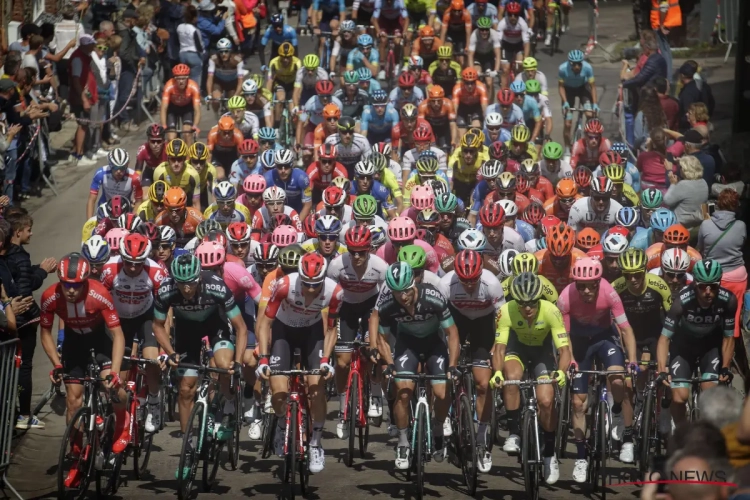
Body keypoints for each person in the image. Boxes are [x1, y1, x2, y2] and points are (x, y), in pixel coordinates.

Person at [40, 254, 129, 488]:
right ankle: (77, 455)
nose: (70, 291)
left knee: (112, 387)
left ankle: (122, 421)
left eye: (76, 285)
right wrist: (56, 363)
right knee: (73, 401)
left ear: (86, 281)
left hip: (101, 340)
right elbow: (45, 334)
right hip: (73, 343)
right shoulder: (50, 297)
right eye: (66, 285)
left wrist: (115, 371)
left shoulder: (99, 293)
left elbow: (118, 335)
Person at [369, 261, 460, 469]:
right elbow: (382, 338)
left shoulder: (432, 297)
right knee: (403, 392)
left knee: (441, 392)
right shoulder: (388, 304)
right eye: (396, 292)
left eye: (406, 291)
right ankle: (402, 442)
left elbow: (452, 333)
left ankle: (438, 428)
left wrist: (452, 365)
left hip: (433, 344)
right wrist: (390, 363)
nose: (402, 297)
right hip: (407, 345)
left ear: (414, 284)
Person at [3, 212, 56, 429]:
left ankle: (12, 411)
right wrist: (42, 272)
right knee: (24, 366)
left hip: (10, 320)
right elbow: (25, 289)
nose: (31, 233)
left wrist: (34, 269)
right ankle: (24, 415)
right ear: (18, 232)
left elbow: (20, 277)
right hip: (23, 321)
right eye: (28, 229)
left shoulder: (7, 256)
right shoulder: (19, 256)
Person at [697, 189, 747, 338]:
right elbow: (741, 245)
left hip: (714, 276)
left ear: (718, 204)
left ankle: (714, 340)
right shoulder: (741, 225)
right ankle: (733, 343)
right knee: (735, 311)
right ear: (736, 205)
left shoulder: (706, 225)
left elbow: (701, 248)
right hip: (738, 275)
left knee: (713, 311)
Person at [664, 155, 708, 230]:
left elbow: (667, 200)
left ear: (685, 170)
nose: (679, 169)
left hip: (680, 225)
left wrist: (673, 184)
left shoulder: (683, 185)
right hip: (695, 223)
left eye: (680, 167)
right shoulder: (703, 182)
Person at [678, 61, 714, 132]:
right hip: (704, 123)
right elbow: (712, 103)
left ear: (682, 75)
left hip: (690, 128)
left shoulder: (687, 92)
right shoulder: (704, 86)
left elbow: (686, 112)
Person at [177, 5, 205, 92]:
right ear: (194, 18)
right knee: (195, 78)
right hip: (193, 54)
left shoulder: (179, 27)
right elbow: (199, 46)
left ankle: (184, 95)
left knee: (184, 78)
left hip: (182, 54)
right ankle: (195, 96)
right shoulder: (194, 30)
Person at [637, 127, 670, 192]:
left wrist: (649, 149)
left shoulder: (644, 156)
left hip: (647, 188)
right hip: (666, 188)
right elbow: (681, 138)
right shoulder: (671, 154)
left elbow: (639, 169)